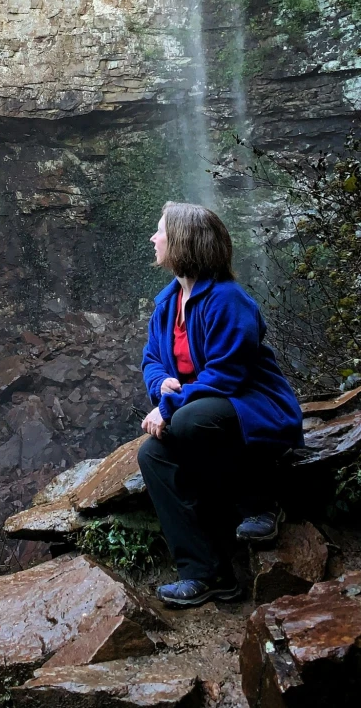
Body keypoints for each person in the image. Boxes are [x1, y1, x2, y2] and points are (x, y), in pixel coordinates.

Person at [138, 201, 303, 607]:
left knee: (192, 421)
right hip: (200, 410)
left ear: (182, 241)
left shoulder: (228, 300)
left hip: (252, 407)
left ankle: (262, 507)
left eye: (161, 231)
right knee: (152, 457)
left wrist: (169, 406)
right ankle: (205, 574)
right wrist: (161, 385)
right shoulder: (166, 304)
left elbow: (228, 374)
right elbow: (151, 360)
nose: (154, 238)